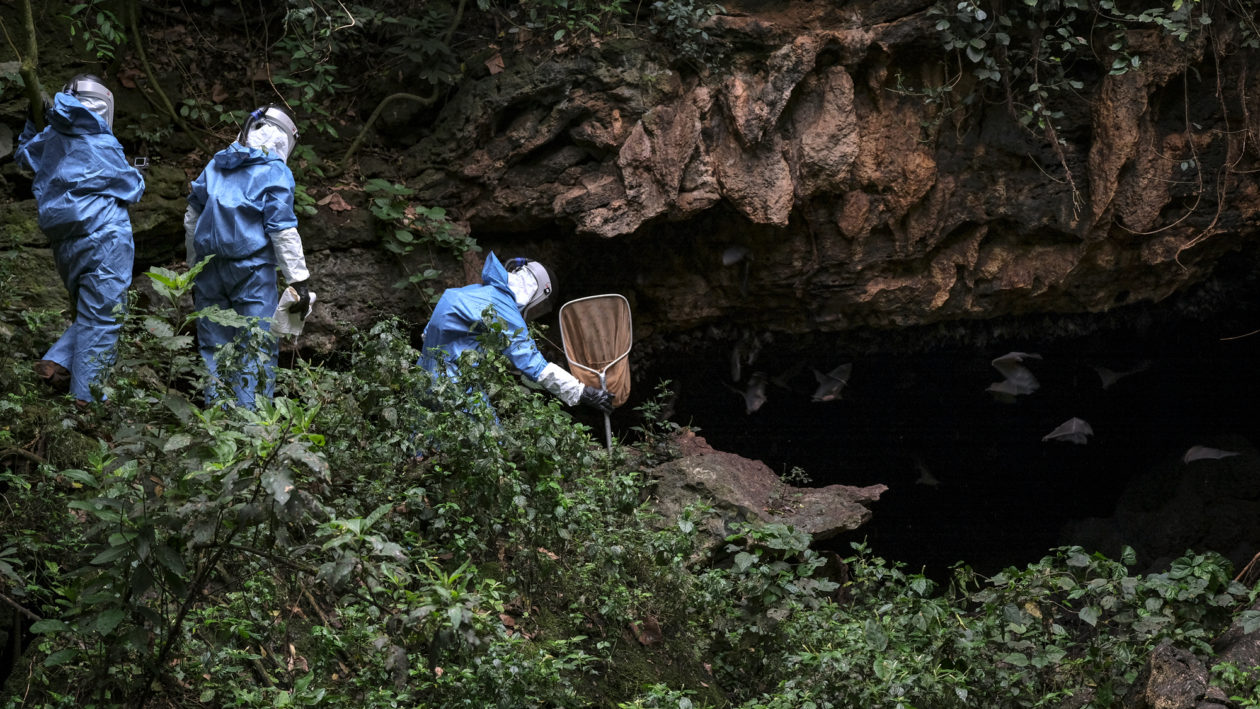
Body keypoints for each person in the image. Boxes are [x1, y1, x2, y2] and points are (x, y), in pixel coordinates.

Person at [15, 74, 146, 406]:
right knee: (104, 318)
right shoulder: (102, 144)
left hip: (66, 246)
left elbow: (24, 158)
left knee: (92, 314)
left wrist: (33, 123)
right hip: (106, 240)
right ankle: (86, 405)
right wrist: (137, 172)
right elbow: (133, 188)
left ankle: (57, 362)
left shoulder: (50, 138)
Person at [184, 104, 312, 408]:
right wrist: (299, 279)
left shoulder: (215, 165)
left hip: (208, 269)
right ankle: (250, 430)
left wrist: (192, 267)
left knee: (214, 348)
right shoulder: (275, 171)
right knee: (255, 346)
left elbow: (191, 218)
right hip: (251, 272)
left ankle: (216, 424)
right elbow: (282, 229)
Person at [417, 252, 612, 414]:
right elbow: (533, 365)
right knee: (490, 446)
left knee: (423, 441)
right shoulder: (504, 307)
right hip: (453, 381)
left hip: (424, 374)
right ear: (537, 292)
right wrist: (581, 392)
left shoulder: (476, 292)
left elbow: (428, 334)